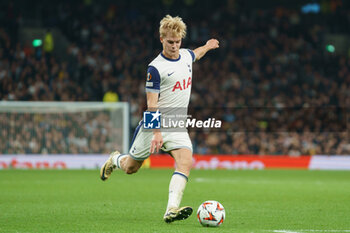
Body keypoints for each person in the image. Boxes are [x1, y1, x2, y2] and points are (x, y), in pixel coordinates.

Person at [100, 14, 219, 223]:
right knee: (131, 168)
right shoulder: (155, 68)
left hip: (177, 125)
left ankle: (171, 209)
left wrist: (208, 46)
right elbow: (151, 104)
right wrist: (156, 133)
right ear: (161, 39)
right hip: (154, 125)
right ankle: (115, 159)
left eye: (178, 41)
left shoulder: (185, 56)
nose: (174, 46)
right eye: (170, 42)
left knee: (185, 161)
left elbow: (196, 54)